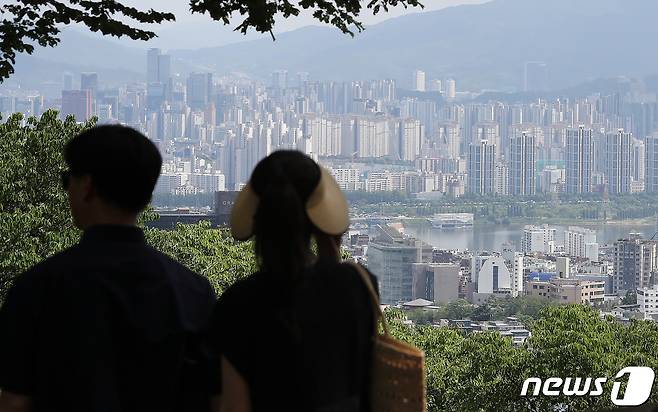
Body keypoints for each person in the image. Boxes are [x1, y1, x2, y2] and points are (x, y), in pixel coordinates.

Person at [0, 125, 219, 412]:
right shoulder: (193, 292)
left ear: (87, 187)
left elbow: (15, 403)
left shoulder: (36, 288)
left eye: (68, 179)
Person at [212, 150, 377, 412]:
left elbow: (234, 405)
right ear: (319, 214)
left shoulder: (237, 303)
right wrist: (328, 241)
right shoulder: (358, 285)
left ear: (258, 217)